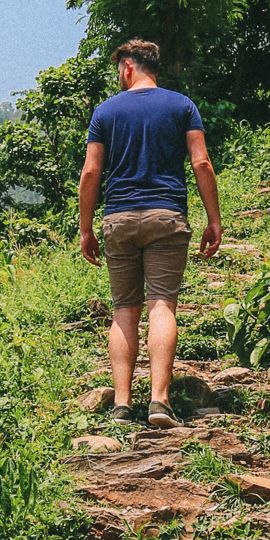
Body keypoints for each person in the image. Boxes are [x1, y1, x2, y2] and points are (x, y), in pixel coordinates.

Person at [79, 38, 222, 426]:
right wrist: (214, 220)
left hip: (119, 220)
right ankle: (160, 401)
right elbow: (202, 163)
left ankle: (122, 406)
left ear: (127, 67)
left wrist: (85, 227)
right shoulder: (181, 106)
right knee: (161, 305)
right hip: (166, 217)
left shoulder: (105, 111)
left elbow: (91, 171)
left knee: (125, 309)